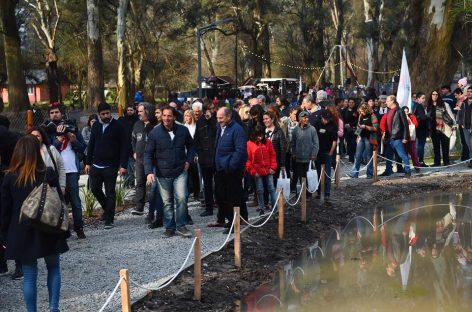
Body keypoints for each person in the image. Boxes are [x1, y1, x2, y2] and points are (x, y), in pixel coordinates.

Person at [1, 135, 69, 312]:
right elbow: (59, 201)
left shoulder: (9, 177)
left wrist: (4, 235)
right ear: (37, 152)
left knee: (30, 276)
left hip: (22, 230)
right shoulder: (48, 172)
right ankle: (54, 308)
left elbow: (4, 211)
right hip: (49, 226)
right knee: (53, 267)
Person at [144, 106, 195, 238]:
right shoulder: (154, 133)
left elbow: (191, 146)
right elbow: (148, 153)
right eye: (164, 115)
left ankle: (181, 226)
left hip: (180, 171)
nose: (166, 118)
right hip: (162, 173)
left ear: (174, 117)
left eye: (169, 116)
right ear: (161, 117)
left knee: (182, 198)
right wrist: (149, 171)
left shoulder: (183, 130)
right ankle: (169, 227)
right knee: (167, 202)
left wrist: (189, 161)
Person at [41, 102, 86, 238]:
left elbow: (82, 147)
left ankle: (79, 228)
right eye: (52, 113)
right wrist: (59, 139)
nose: (55, 115)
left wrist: (73, 141)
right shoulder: (46, 130)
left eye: (57, 112)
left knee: (76, 202)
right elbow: (47, 150)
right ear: (49, 115)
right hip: (55, 171)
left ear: (62, 113)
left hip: (72, 170)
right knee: (58, 202)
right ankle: (62, 229)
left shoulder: (71, 127)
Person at [85, 103, 129, 229]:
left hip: (111, 165)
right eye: (103, 114)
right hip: (96, 164)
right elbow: (91, 144)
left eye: (107, 113)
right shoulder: (96, 126)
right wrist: (88, 162)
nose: (105, 116)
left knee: (110, 192)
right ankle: (108, 209)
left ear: (110, 112)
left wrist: (123, 165)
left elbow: (125, 146)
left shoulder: (118, 126)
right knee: (94, 188)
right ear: (99, 115)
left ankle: (109, 219)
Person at [214, 107, 249, 234]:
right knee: (221, 195)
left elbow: (240, 150)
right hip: (220, 168)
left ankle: (235, 222)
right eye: (217, 118)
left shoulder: (237, 129)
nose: (218, 121)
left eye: (221, 118)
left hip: (231, 170)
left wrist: (231, 165)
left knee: (232, 197)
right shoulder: (220, 128)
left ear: (228, 117)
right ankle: (231, 218)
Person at [130, 103, 157, 216]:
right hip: (139, 159)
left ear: (148, 112)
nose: (139, 113)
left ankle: (154, 207)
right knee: (140, 182)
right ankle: (139, 206)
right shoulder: (137, 124)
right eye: (138, 111)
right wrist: (134, 151)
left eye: (141, 111)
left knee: (153, 185)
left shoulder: (155, 125)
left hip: (153, 159)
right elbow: (133, 139)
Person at [246, 124, 278, 215]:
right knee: (260, 189)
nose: (260, 137)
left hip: (268, 168)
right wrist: (253, 171)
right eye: (258, 135)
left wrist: (272, 167)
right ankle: (261, 207)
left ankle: (275, 206)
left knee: (271, 188)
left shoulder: (267, 142)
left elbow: (272, 155)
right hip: (257, 170)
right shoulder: (249, 144)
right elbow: (247, 160)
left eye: (261, 135)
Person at [27, 126, 66, 197]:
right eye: (32, 136)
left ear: (42, 137)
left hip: (51, 189)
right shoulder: (26, 153)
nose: (35, 138)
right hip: (32, 192)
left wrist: (62, 186)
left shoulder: (51, 149)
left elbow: (61, 168)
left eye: (37, 136)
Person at [194, 104, 218, 218]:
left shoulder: (216, 120)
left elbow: (217, 132)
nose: (208, 112)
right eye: (206, 110)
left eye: (210, 110)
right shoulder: (199, 122)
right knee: (207, 184)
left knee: (219, 183)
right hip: (204, 158)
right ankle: (209, 207)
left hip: (216, 158)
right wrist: (199, 152)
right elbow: (196, 139)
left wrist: (211, 120)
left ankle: (220, 205)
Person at [380, 95, 411, 177]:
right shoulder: (389, 111)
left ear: (392, 101)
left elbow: (405, 125)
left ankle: (407, 171)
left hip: (397, 137)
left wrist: (405, 137)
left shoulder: (400, 111)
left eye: (387, 100)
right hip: (390, 138)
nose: (385, 102)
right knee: (388, 155)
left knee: (402, 155)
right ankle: (388, 171)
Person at [290, 110, 319, 197]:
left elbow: (316, 144)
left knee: (308, 176)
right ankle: (302, 192)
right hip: (298, 158)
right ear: (300, 119)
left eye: (307, 118)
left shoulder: (312, 129)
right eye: (304, 117)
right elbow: (293, 143)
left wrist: (314, 154)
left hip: (309, 158)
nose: (306, 119)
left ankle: (308, 193)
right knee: (301, 176)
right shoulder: (295, 130)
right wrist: (294, 153)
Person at [426, 90, 457, 166]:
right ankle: (437, 163)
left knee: (445, 147)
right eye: (433, 94)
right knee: (436, 147)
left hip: (444, 128)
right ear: (431, 95)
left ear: (439, 96)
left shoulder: (444, 104)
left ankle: (446, 162)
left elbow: (450, 114)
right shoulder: (429, 105)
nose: (435, 96)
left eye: (436, 94)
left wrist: (454, 125)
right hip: (434, 129)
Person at [349, 104, 378, 179]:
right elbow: (359, 126)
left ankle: (369, 173)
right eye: (360, 111)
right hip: (361, 137)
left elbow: (375, 128)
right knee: (358, 155)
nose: (361, 112)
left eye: (362, 111)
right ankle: (355, 173)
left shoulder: (372, 115)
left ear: (366, 110)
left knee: (369, 156)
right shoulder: (360, 116)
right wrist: (357, 135)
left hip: (369, 138)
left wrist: (366, 127)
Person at [314, 110, 338, 199]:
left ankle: (327, 192)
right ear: (322, 117)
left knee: (327, 173)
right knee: (318, 172)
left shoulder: (333, 125)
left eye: (328, 119)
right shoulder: (317, 124)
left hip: (327, 150)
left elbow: (334, 140)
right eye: (325, 119)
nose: (326, 120)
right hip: (317, 151)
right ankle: (319, 191)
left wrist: (331, 152)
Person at [263, 111, 287, 186]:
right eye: (264, 119)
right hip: (263, 162)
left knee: (274, 184)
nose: (265, 121)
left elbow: (283, 148)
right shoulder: (262, 131)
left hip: (275, 162)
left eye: (267, 119)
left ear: (272, 119)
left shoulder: (279, 132)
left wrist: (282, 164)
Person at [118, 104, 139, 188]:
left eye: (131, 110)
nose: (129, 112)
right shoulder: (121, 120)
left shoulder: (137, 120)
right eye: (128, 110)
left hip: (133, 147)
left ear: (134, 111)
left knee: (132, 167)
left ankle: (131, 183)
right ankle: (126, 183)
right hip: (123, 146)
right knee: (124, 166)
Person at [183, 109, 200, 201]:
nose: (186, 118)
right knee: (186, 174)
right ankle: (188, 191)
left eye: (188, 116)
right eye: (185, 116)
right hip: (185, 153)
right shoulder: (183, 127)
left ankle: (196, 193)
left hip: (194, 154)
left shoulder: (196, 127)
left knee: (195, 174)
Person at [412, 92, 430, 166]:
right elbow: (422, 117)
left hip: (419, 128)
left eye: (424, 98)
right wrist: (428, 115)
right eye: (422, 98)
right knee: (420, 146)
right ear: (418, 98)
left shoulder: (417, 105)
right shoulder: (419, 106)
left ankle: (419, 161)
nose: (424, 100)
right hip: (421, 128)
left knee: (419, 145)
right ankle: (420, 162)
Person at [457, 88, 472, 168]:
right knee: (469, 145)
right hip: (465, 127)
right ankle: (470, 160)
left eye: (471, 92)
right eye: (468, 92)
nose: (469, 93)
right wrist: (460, 123)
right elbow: (459, 114)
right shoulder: (463, 103)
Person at [402, 107, 421, 172]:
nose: (406, 113)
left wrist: (409, 122)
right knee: (404, 153)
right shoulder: (400, 117)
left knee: (413, 153)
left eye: (407, 111)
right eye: (404, 111)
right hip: (404, 137)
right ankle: (406, 168)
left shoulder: (411, 116)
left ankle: (417, 167)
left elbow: (416, 124)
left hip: (411, 138)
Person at [342, 98, 358, 163]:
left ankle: (356, 157)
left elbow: (358, 120)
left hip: (354, 130)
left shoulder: (356, 111)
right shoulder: (344, 110)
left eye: (352, 102)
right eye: (350, 102)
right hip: (347, 130)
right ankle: (351, 159)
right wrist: (345, 124)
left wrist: (350, 124)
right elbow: (342, 119)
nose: (351, 104)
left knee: (354, 143)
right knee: (349, 144)